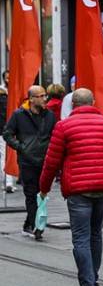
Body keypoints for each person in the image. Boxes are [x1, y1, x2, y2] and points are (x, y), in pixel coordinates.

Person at [39, 89, 103, 286]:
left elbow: (52, 161)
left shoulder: (63, 126)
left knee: (81, 238)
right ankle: (93, 278)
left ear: (73, 104)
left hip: (79, 191)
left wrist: (44, 188)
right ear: (93, 102)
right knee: (96, 234)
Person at [3, 85, 56, 240]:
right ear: (32, 99)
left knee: (43, 193)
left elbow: (55, 134)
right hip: (27, 160)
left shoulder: (50, 115)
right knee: (31, 193)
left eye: (45, 95)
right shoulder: (19, 115)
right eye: (41, 96)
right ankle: (35, 225)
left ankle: (30, 223)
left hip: (45, 160)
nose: (44, 98)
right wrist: (20, 147)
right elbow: (7, 133)